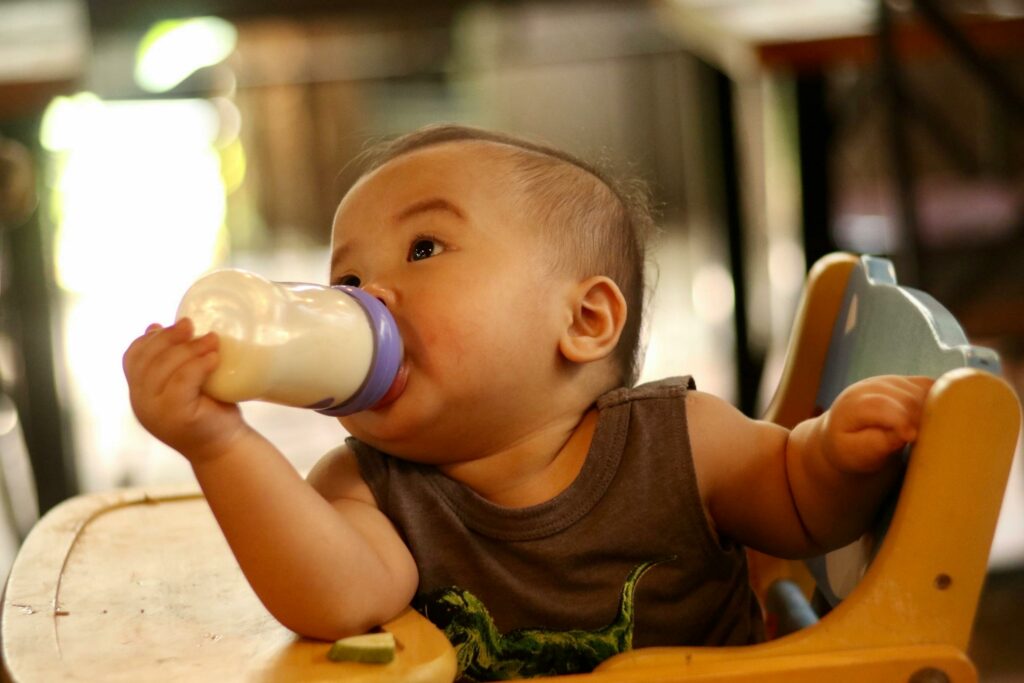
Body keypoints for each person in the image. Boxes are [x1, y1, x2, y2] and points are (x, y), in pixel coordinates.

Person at [123, 124, 932, 680]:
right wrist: (218, 445)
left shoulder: (680, 440)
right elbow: (336, 598)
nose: (367, 298)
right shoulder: (367, 485)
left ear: (583, 320)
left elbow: (796, 506)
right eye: (346, 280)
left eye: (425, 247)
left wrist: (830, 453)